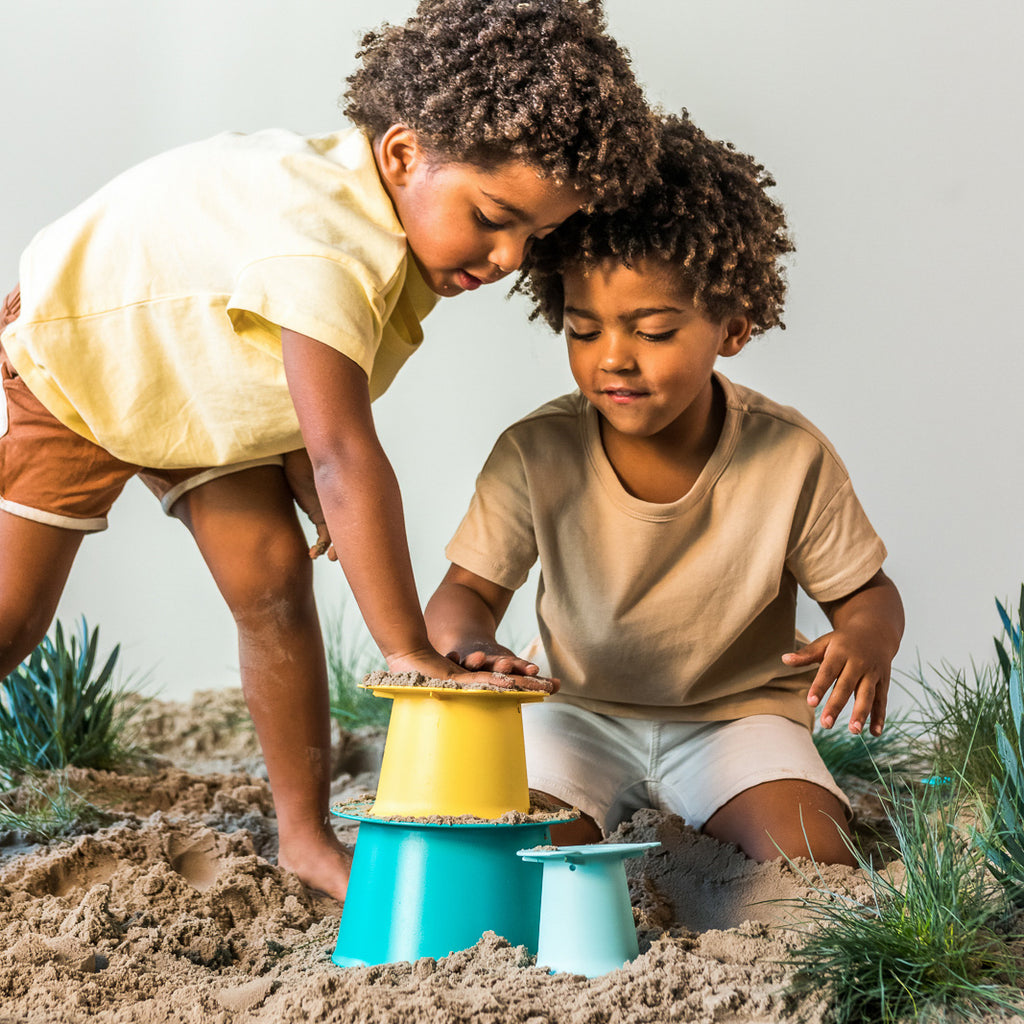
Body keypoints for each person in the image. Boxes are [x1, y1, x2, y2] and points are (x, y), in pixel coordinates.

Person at [0, 0, 658, 901]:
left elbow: (288, 394)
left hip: (207, 378)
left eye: (533, 237)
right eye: (492, 217)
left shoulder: (392, 233)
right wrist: (409, 649)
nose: (509, 256)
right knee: (14, 616)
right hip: (87, 356)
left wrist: (305, 475)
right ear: (404, 154)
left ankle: (305, 839)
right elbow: (345, 454)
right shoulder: (329, 249)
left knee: (273, 578)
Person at [425, 111, 905, 866]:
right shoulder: (536, 451)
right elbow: (465, 593)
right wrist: (473, 647)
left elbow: (866, 595)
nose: (613, 359)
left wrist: (867, 639)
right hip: (574, 713)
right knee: (513, 852)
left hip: (736, 720)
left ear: (732, 328)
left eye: (651, 331)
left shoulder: (789, 455)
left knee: (815, 861)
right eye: (584, 330)